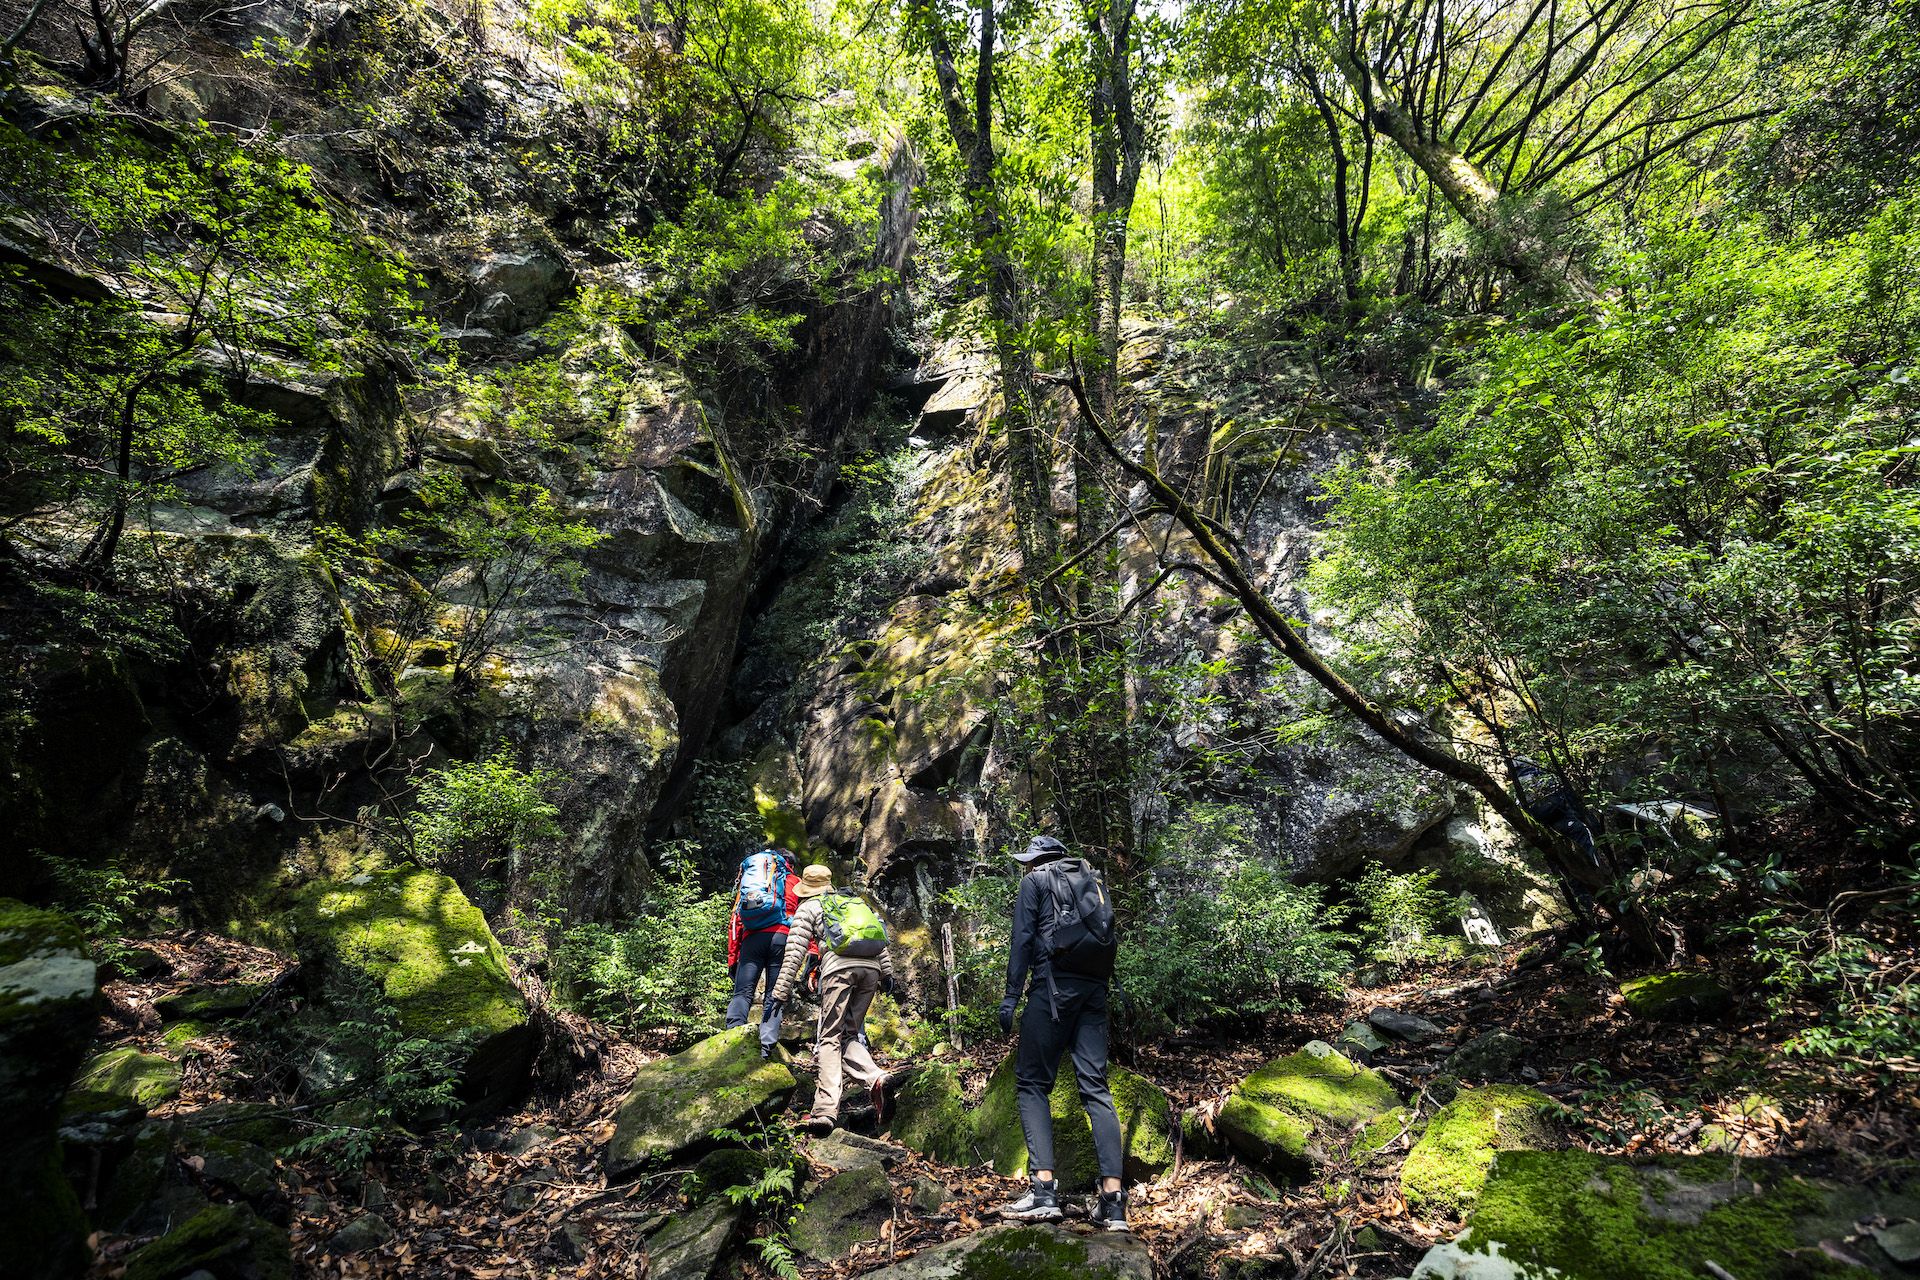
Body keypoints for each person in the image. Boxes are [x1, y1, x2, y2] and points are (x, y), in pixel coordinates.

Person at [992, 835, 1129, 1233]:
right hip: (1095, 990)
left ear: (1037, 860)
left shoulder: (1036, 881)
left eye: (1028, 861)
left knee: (1032, 1082)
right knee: (1096, 1088)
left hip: (1053, 989)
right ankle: (1113, 1203)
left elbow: (1023, 940)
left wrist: (1010, 997)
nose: (1026, 867)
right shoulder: (1091, 878)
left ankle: (1043, 1192)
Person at [768, 863, 895, 1136]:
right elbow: (878, 933)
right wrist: (887, 972)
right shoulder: (853, 901)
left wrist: (779, 992)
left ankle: (825, 1111)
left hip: (839, 970)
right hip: (870, 971)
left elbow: (794, 953)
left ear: (806, 888)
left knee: (829, 1038)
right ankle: (877, 1078)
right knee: (848, 1034)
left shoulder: (810, 908)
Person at [726, 847, 800, 1059]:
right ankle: (766, 1047)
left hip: (752, 939)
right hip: (782, 939)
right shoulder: (796, 882)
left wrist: (734, 959)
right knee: (773, 996)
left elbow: (736, 922)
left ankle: (732, 1038)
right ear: (790, 865)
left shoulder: (753, 883)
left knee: (742, 993)